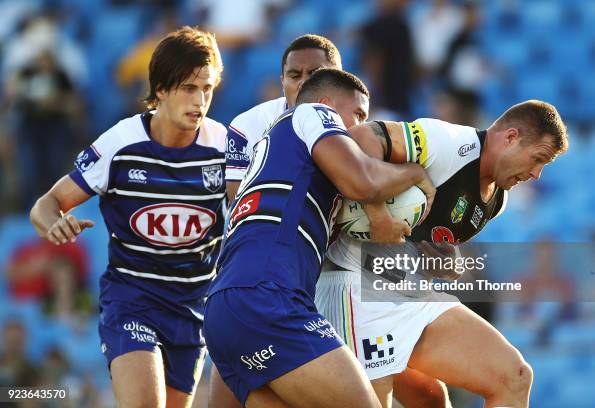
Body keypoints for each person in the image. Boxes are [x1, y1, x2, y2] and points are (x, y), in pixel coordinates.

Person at [204, 68, 436, 407]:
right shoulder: (312, 113)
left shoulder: (281, 157)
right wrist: (414, 173)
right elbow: (364, 181)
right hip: (268, 297)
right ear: (328, 103)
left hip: (227, 307)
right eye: (357, 114)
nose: (360, 127)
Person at [317, 99, 570, 407]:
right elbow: (362, 138)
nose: (536, 175)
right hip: (356, 287)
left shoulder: (497, 200)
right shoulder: (449, 143)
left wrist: (449, 264)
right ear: (510, 137)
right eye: (538, 159)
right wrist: (378, 214)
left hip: (410, 292)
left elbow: (428, 236)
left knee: (511, 378)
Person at [30, 27, 226, 408]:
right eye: (188, 88)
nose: (200, 100)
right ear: (162, 89)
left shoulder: (225, 147)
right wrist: (54, 222)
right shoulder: (120, 144)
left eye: (207, 88)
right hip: (133, 298)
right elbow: (47, 202)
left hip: (195, 308)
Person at [225, 34, 342, 203]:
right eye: (295, 75)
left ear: (338, 79)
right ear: (282, 82)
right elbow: (238, 204)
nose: (303, 82)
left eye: (314, 74)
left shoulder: (354, 120)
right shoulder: (247, 126)